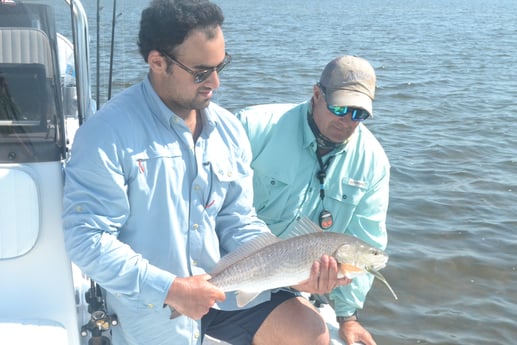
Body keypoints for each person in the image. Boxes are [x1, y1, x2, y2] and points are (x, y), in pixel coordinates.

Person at [62, 1, 347, 344]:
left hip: (225, 291)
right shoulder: (105, 133)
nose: (215, 82)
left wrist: (287, 270)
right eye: (201, 72)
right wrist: (170, 288)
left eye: (220, 65)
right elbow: (86, 238)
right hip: (151, 307)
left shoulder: (229, 129)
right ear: (157, 62)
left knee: (310, 331)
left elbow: (238, 220)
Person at [236, 55, 390, 345]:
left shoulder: (373, 163)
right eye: (340, 107)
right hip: (225, 258)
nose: (347, 121)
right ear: (317, 94)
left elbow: (365, 238)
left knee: (316, 337)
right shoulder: (252, 127)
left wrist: (347, 317)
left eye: (358, 114)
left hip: (290, 280)